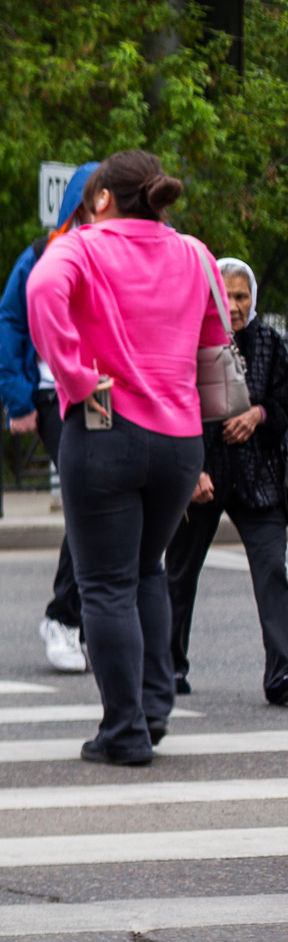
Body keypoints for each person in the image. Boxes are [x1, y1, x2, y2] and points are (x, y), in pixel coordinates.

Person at [27, 149, 226, 766]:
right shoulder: (193, 253)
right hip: (179, 438)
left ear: (104, 197)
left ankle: (124, 731)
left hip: (105, 427)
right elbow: (217, 338)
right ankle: (154, 709)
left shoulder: (82, 247)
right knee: (147, 572)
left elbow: (40, 291)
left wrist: (76, 375)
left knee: (106, 585)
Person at [0, 161, 99, 674]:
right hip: (58, 397)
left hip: (119, 395)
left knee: (107, 506)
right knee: (92, 501)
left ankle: (90, 619)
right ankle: (64, 619)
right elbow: (11, 321)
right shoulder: (44, 254)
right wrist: (18, 399)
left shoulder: (132, 244)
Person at [165, 258, 288, 704]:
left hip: (260, 476)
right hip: (202, 472)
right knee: (178, 572)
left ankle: (283, 673)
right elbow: (173, 403)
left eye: (242, 296)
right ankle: (168, 668)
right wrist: (190, 469)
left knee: (273, 568)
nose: (234, 305)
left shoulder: (272, 343)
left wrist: (260, 414)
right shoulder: (187, 338)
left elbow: (284, 400)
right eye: (225, 295)